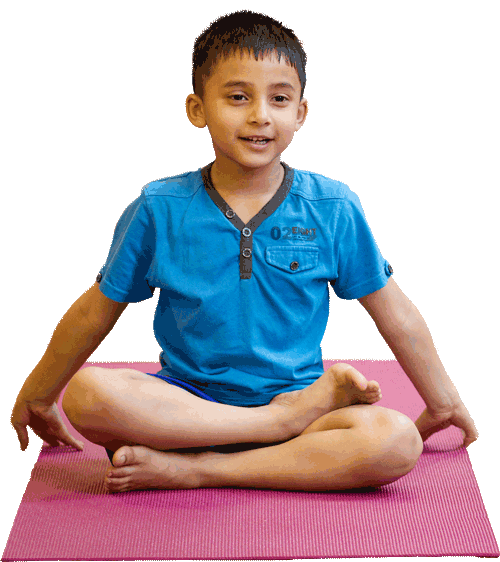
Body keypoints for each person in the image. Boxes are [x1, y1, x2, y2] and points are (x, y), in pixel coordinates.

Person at [10, 10, 478, 493]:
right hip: (186, 409)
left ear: (301, 113)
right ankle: (270, 431)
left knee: (396, 441)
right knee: (88, 395)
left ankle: (194, 470)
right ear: (197, 109)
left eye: (279, 99)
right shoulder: (158, 206)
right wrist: (41, 393)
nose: (260, 115)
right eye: (238, 97)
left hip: (301, 406)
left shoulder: (333, 207)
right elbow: (95, 311)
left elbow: (393, 310)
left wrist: (443, 400)